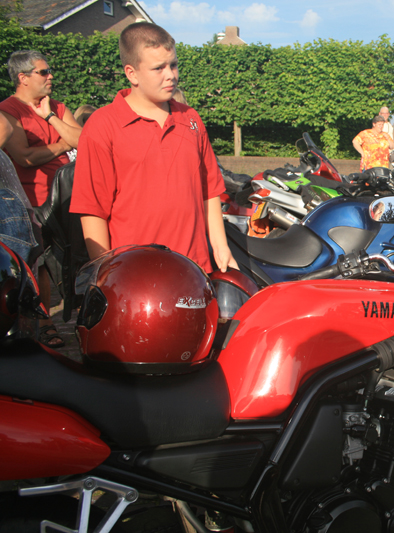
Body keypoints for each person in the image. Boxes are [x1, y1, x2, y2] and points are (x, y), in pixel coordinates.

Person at [70, 22, 236, 276]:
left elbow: (209, 190)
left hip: (194, 270)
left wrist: (221, 247)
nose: (170, 75)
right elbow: (92, 209)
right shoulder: (103, 125)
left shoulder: (191, 118)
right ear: (132, 73)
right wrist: (107, 272)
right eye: (158, 68)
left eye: (173, 65)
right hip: (134, 275)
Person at [0, 50, 83, 348]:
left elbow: (85, 140)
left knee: (71, 259)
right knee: (40, 263)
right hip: (30, 200)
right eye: (44, 72)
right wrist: (64, 141)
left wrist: (49, 116)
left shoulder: (56, 107)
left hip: (68, 197)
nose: (51, 77)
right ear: (23, 78)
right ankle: (43, 325)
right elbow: (24, 157)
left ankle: (79, 318)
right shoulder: (9, 111)